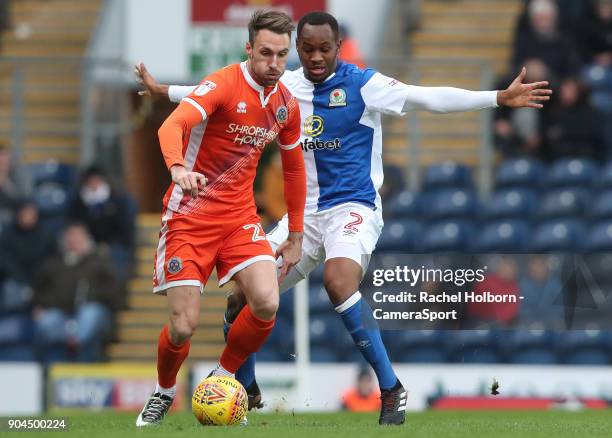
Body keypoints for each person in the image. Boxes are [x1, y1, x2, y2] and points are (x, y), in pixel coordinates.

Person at [137, 11, 551, 426]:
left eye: (324, 49)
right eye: (307, 49)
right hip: (306, 215)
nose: (315, 57)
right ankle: (245, 385)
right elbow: (225, 91)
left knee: (338, 282)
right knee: (243, 297)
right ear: (298, 50)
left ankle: (390, 388)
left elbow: (427, 96)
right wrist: (165, 91)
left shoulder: (364, 84)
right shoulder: (286, 85)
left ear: (338, 48)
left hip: (353, 209)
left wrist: (496, 97)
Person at [135, 10, 306, 427]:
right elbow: (171, 126)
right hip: (189, 218)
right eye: (266, 53)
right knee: (183, 326)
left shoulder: (285, 104)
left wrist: (297, 232)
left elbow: (295, 169)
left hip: (238, 218)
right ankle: (163, 392)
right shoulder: (223, 84)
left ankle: (223, 377)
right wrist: (177, 169)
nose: (275, 64)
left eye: (283, 55)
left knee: (267, 300)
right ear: (249, 49)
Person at [32, 222, 118, 362]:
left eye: (78, 237)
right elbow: (40, 289)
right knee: (46, 320)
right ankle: (54, 361)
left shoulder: (99, 261)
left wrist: (95, 298)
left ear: (87, 239)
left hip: (90, 312)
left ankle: (75, 343)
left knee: (90, 313)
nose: (74, 240)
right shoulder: (53, 262)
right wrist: (41, 306)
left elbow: (112, 290)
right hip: (60, 313)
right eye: (71, 237)